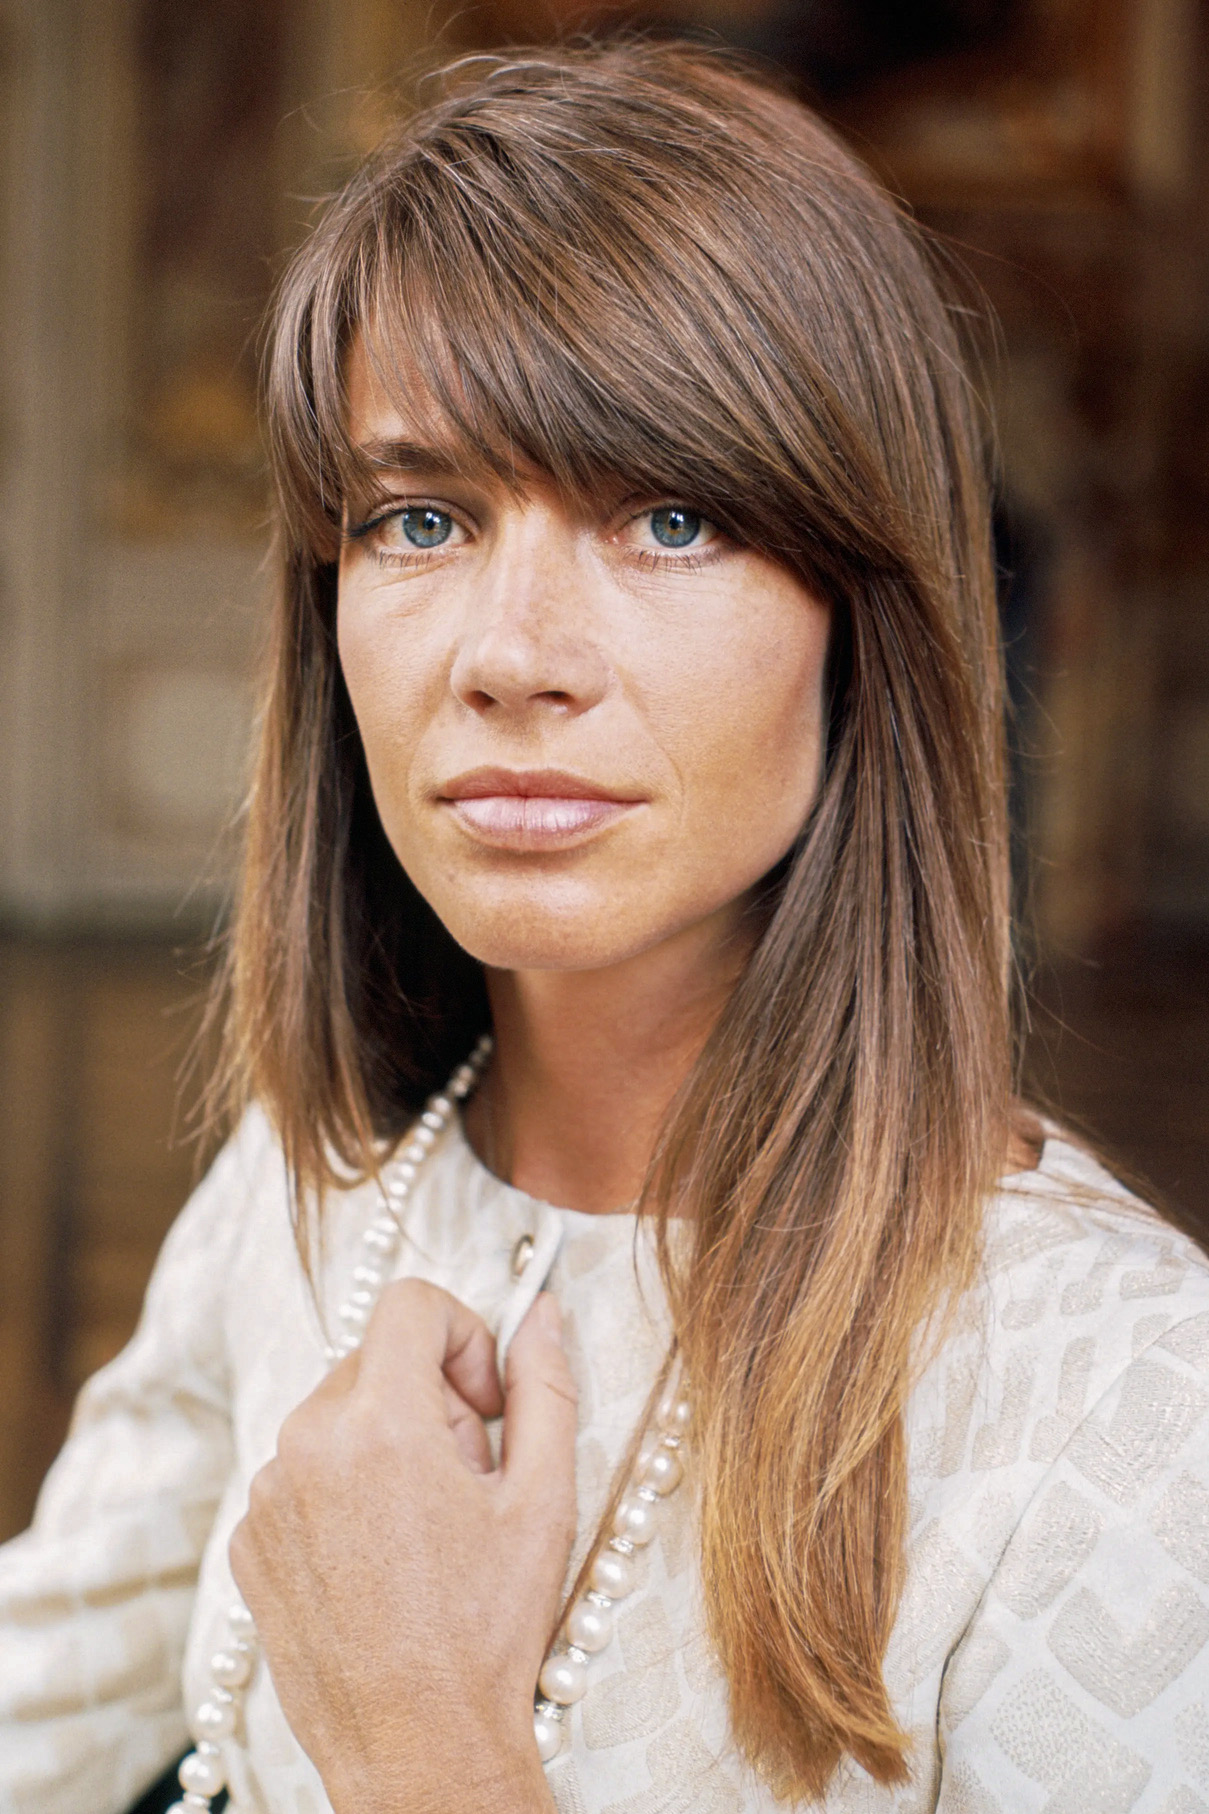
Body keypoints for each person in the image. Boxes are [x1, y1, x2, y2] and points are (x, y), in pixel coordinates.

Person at [3, 38, 1208, 1814]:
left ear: (861, 619)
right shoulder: (313, 1188)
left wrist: (422, 1738)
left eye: (670, 518)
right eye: (421, 517)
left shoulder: (1114, 1381)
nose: (511, 654)